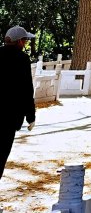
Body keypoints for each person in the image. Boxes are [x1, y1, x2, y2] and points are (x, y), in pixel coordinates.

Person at [0, 26, 35, 180]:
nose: (26, 43)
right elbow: (26, 89)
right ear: (20, 42)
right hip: (8, 117)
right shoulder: (21, 59)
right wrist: (31, 116)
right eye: (25, 40)